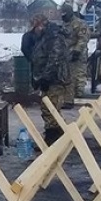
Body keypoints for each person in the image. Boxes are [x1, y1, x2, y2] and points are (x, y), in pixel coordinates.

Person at [29, 14, 70, 144]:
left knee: (50, 108)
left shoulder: (54, 38)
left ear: (41, 25)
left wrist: (45, 78)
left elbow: (54, 60)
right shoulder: (45, 38)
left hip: (55, 79)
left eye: (35, 27)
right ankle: (59, 136)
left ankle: (54, 138)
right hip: (47, 78)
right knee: (49, 108)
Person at [60, 5, 90, 105]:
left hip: (79, 53)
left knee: (79, 74)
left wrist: (77, 51)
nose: (63, 17)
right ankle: (70, 96)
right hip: (67, 53)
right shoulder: (64, 24)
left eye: (65, 15)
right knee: (68, 76)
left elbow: (83, 38)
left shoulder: (79, 23)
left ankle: (79, 93)